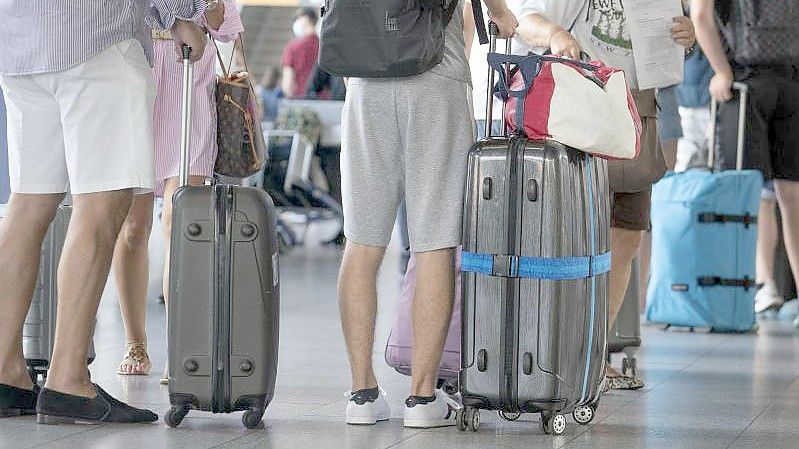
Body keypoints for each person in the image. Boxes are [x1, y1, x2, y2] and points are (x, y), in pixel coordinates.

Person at [0, 1, 206, 424]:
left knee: (28, 204)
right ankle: (68, 379)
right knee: (101, 206)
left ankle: (5, 373)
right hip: (94, 36)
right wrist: (183, 11)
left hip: (18, 42)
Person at [337, 0, 517, 428]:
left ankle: (362, 394)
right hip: (435, 78)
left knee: (361, 242)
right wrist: (503, 14)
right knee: (435, 242)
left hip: (364, 79)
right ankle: (421, 399)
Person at [515, 0, 695, 390]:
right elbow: (522, 21)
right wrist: (555, 34)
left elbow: (674, 33)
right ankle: (553, 353)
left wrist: (687, 35)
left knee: (627, 236)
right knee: (571, 240)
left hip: (638, 113)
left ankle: (593, 356)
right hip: (583, 113)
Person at [112, 0, 243, 382]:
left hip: (191, 94)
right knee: (133, 228)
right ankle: (135, 340)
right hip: (138, 82)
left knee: (180, 223)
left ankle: (181, 344)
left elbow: (225, 29)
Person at [691, 0, 799, 318]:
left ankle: (753, 289)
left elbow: (700, 15)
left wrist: (721, 71)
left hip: (745, 80)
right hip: (792, 79)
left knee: (745, 193)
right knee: (792, 197)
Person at [281, 8, 320, 99]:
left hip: (299, 100)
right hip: (322, 101)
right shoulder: (324, 46)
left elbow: (287, 84)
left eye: (297, 19)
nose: (295, 23)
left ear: (305, 19)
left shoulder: (293, 47)